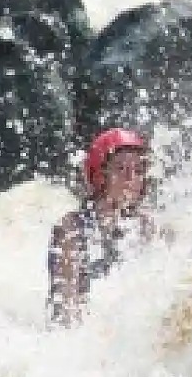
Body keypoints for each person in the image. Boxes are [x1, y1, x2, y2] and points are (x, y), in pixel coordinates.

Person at [47, 127, 155, 328]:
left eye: (138, 171)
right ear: (100, 175)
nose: (131, 179)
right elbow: (65, 305)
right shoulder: (71, 229)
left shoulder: (147, 226)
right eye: (121, 169)